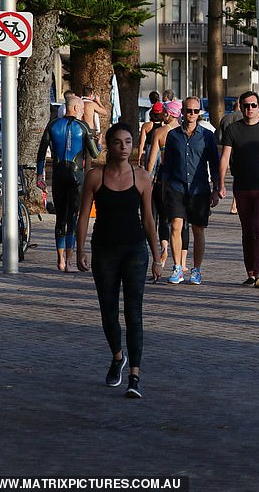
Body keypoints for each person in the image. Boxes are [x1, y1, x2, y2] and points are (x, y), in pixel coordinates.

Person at [75, 123, 160, 399]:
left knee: (134, 314)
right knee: (108, 312)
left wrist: (157, 257)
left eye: (128, 142)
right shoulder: (94, 177)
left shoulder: (143, 177)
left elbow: (148, 220)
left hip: (135, 251)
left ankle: (134, 375)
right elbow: (83, 216)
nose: (124, 147)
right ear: (108, 146)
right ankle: (117, 356)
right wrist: (80, 250)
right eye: (118, 142)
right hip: (104, 251)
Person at [218, 91, 259, 288]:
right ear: (241, 106)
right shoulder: (232, 129)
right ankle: (251, 272)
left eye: (253, 105)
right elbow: (224, 158)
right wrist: (220, 183)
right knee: (247, 231)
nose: (249, 109)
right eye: (246, 105)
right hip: (242, 187)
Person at [160, 97, 221, 286]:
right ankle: (177, 267)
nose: (191, 114)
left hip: (199, 188)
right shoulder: (173, 135)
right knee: (176, 226)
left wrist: (216, 189)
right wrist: (164, 188)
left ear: (200, 113)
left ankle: (196, 269)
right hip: (177, 187)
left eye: (195, 111)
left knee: (197, 229)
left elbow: (215, 163)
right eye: (188, 111)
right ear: (182, 112)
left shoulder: (207, 136)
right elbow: (167, 164)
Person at [37, 94, 100, 272]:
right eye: (81, 109)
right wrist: (99, 143)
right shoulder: (83, 127)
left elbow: (41, 153)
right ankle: (70, 262)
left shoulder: (53, 125)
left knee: (60, 219)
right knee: (73, 218)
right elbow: (94, 154)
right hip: (76, 178)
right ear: (75, 108)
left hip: (58, 176)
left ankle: (60, 260)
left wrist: (39, 176)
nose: (82, 112)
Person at [146, 100, 183, 275]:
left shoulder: (160, 132)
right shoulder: (184, 133)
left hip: (161, 179)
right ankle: (181, 261)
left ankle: (162, 248)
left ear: (167, 114)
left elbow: (152, 161)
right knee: (176, 221)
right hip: (180, 181)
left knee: (155, 217)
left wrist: (147, 179)